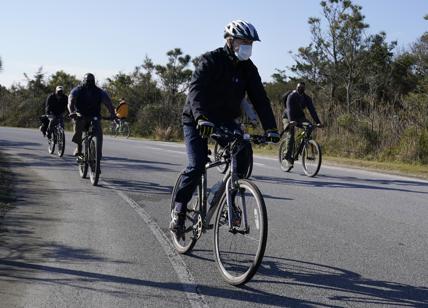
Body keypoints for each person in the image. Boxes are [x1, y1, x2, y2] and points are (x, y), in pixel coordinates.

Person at [169, 19, 280, 235]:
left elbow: (260, 99)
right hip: (197, 119)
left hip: (225, 120)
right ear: (230, 41)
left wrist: (271, 129)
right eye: (244, 41)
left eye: (251, 42)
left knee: (243, 153)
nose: (248, 46)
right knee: (197, 164)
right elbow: (196, 90)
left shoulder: (248, 69)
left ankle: (228, 198)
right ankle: (180, 209)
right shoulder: (211, 60)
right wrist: (201, 117)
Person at [68, 73, 116, 156]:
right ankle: (79, 147)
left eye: (91, 81)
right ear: (83, 81)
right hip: (81, 114)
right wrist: (72, 112)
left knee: (99, 132)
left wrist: (113, 114)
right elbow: (70, 101)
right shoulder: (77, 90)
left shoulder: (100, 92)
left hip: (94, 115)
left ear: (94, 81)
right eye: (87, 81)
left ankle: (98, 154)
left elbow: (108, 104)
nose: (89, 83)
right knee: (78, 125)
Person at [282, 82, 323, 167]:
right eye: (299, 87)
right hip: (288, 117)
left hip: (300, 117)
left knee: (310, 126)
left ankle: (301, 147)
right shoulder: (291, 96)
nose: (301, 89)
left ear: (304, 89)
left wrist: (318, 122)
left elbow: (312, 111)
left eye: (302, 88)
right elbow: (289, 109)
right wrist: (290, 121)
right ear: (296, 87)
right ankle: (287, 156)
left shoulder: (306, 98)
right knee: (291, 134)